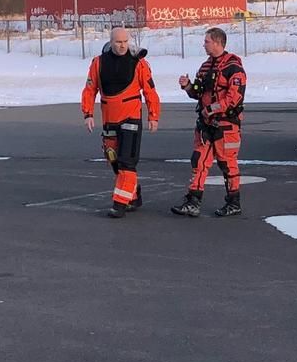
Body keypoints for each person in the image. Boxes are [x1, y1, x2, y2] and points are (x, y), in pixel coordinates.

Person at [81, 26, 161, 219]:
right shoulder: (98, 63)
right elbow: (90, 89)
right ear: (111, 42)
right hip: (109, 119)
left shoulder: (139, 63)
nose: (122, 46)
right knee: (114, 161)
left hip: (131, 117)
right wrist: (88, 113)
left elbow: (150, 91)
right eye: (118, 42)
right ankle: (133, 194)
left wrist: (153, 116)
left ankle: (120, 204)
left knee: (127, 162)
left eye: (125, 42)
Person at [173, 27, 247, 218]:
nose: (203, 44)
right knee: (198, 162)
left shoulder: (234, 68)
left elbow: (234, 99)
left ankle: (234, 203)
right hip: (205, 125)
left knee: (227, 163)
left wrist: (212, 109)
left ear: (217, 42)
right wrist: (187, 86)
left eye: (206, 41)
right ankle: (193, 201)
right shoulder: (205, 66)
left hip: (226, 125)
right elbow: (197, 92)